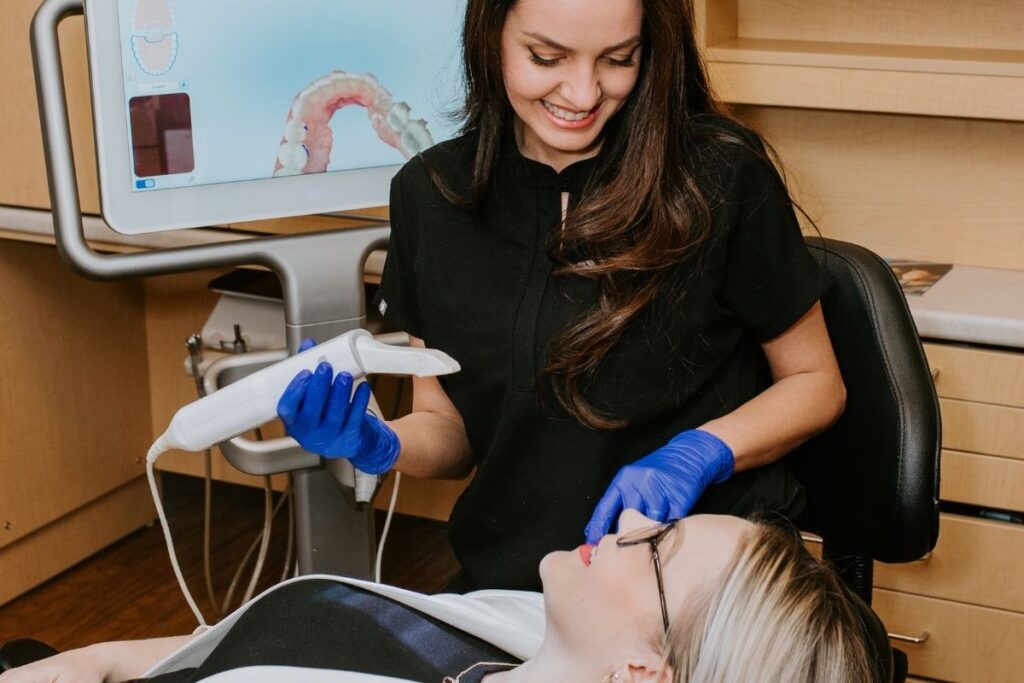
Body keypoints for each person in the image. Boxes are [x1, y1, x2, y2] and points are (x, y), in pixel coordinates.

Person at [276, 0, 846, 592]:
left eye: (618, 60)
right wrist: (379, 441)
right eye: (547, 57)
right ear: (490, 36)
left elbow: (816, 383)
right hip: (517, 589)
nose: (582, 93)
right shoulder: (432, 196)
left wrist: (702, 452)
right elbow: (448, 426)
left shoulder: (718, 176)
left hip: (695, 584)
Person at [0, 511, 885, 682]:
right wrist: (92, 658)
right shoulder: (522, 626)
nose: (633, 522)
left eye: (660, 547)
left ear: (642, 670)